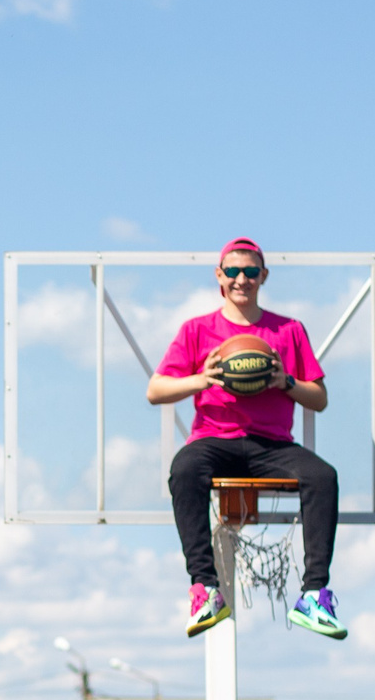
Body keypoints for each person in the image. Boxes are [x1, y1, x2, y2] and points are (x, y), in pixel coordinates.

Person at [147, 237, 343, 640]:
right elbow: (155, 390)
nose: (242, 279)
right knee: (184, 469)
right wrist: (203, 378)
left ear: (263, 277)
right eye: (233, 271)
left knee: (322, 477)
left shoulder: (288, 330)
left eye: (251, 272)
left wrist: (285, 382)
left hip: (270, 443)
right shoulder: (197, 329)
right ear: (219, 276)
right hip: (214, 439)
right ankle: (205, 590)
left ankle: (314, 595)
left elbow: (319, 398)